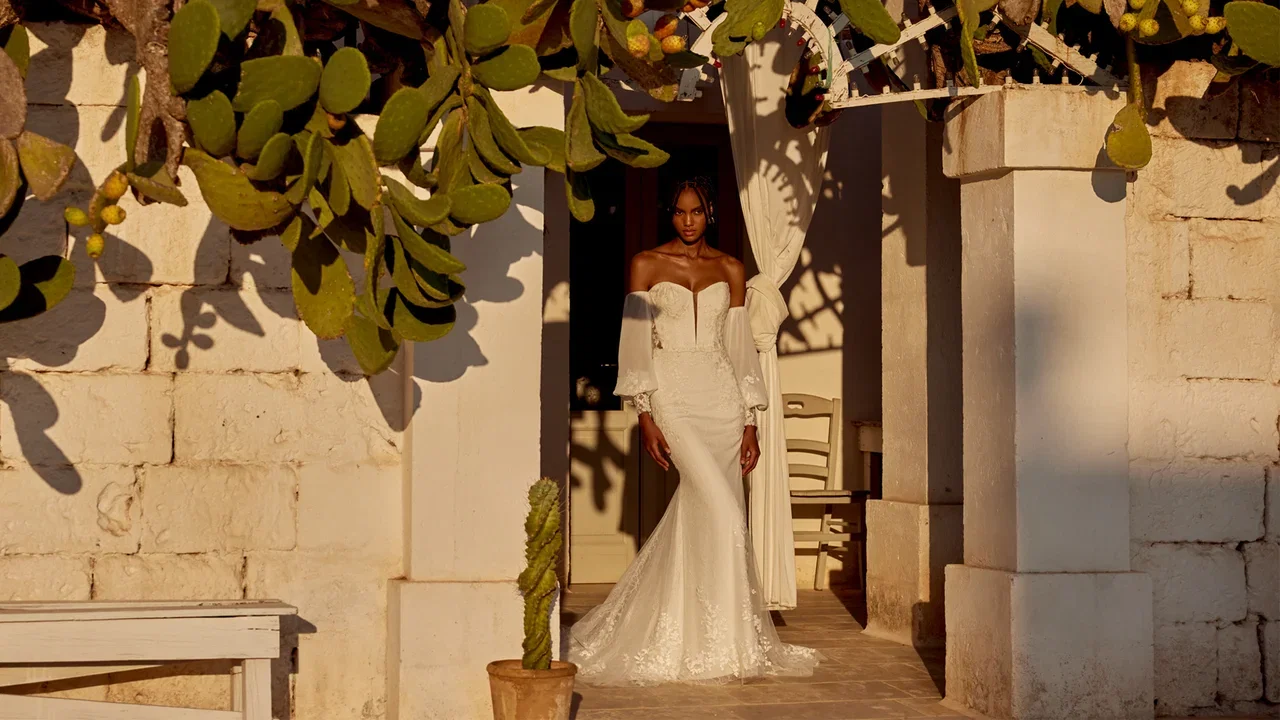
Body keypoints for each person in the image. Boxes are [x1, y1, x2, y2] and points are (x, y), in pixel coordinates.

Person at [567, 176, 820, 686]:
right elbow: (636, 344)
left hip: (723, 401)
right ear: (671, 214)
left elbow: (741, 350)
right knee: (725, 515)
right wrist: (644, 412)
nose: (687, 221)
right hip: (673, 397)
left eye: (696, 212)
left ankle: (723, 641)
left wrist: (749, 421)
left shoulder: (730, 268)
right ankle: (683, 634)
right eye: (679, 212)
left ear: (710, 214)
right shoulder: (646, 263)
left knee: (709, 516)